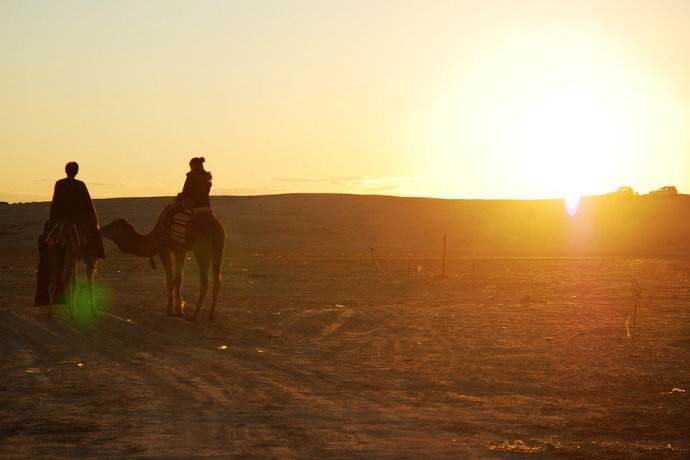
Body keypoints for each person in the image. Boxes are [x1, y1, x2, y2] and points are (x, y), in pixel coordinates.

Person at [48, 161, 106, 260]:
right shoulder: (80, 185)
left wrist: (53, 219)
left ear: (66, 170)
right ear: (76, 172)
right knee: (92, 236)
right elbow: (87, 204)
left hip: (61, 219)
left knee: (48, 237)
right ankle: (92, 255)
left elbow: (55, 202)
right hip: (77, 220)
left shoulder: (60, 184)